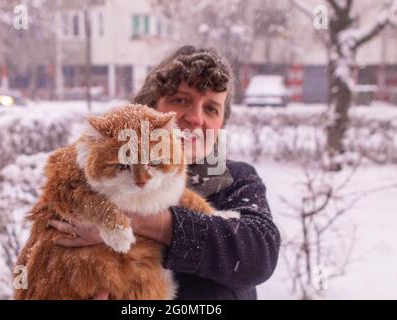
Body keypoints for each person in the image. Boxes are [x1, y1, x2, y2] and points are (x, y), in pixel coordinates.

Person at [48, 45, 281, 300]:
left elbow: (257, 255)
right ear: (150, 106)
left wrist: (130, 220)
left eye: (211, 108)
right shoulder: (97, 171)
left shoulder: (235, 178)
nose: (195, 118)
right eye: (181, 100)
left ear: (221, 124)